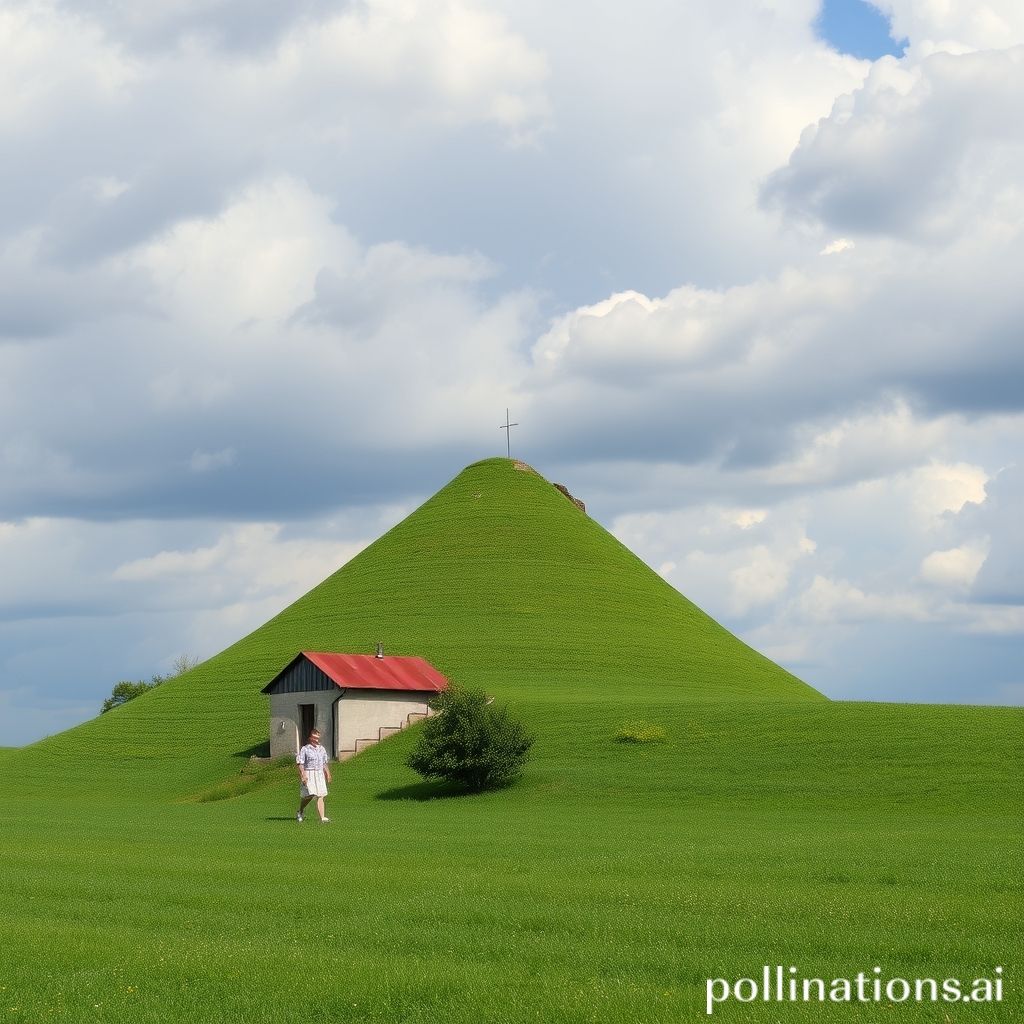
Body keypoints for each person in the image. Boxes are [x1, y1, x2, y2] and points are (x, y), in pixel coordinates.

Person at [296, 728, 332, 823]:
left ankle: (322, 817)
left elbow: (324, 763)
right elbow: (300, 763)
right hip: (309, 773)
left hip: (319, 774)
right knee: (309, 795)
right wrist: (303, 775)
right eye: (314, 738)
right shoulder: (305, 749)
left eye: (318, 738)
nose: (317, 740)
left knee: (321, 795)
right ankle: (300, 811)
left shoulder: (322, 749)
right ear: (310, 738)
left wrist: (328, 774)